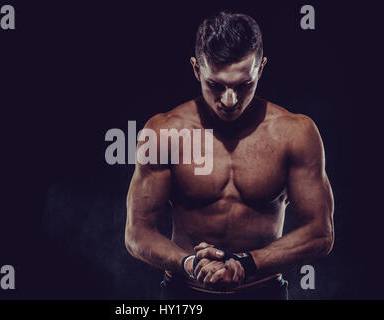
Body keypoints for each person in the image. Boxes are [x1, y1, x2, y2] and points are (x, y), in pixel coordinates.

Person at [125, 10, 334, 300]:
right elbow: (137, 234)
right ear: (197, 70)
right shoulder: (163, 132)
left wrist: (248, 263)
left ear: (260, 68)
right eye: (216, 85)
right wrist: (189, 263)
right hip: (185, 293)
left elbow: (320, 233)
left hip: (262, 291)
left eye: (243, 85)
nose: (229, 100)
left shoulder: (296, 133)